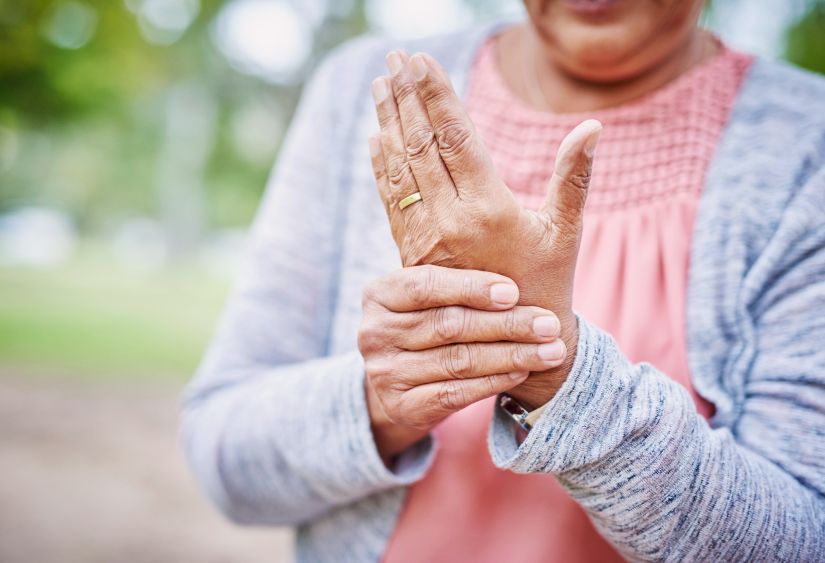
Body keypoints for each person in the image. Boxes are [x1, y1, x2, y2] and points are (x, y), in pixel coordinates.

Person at [181, 0, 825, 560]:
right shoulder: (365, 91)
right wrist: (379, 402)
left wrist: (559, 375)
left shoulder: (805, 142)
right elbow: (225, 458)